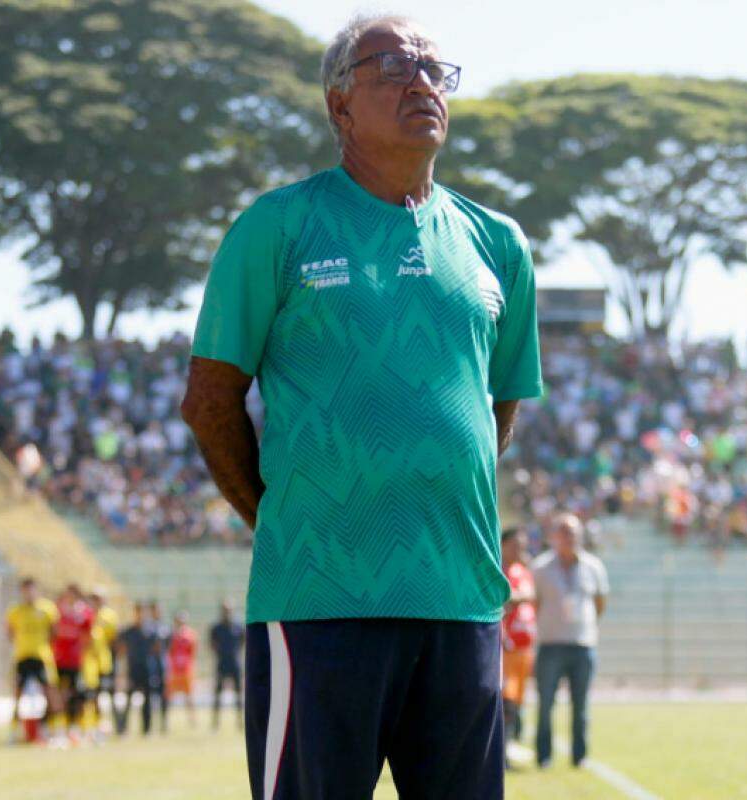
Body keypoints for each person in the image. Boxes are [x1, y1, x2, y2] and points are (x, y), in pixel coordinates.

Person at [181, 13, 542, 799]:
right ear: (339, 105)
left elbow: (494, 416)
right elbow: (210, 401)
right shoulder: (277, 226)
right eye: (394, 68)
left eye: (436, 71)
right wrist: (282, 518)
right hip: (319, 601)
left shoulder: (499, 243)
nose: (422, 84)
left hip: (463, 602)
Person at [532, 513, 609, 769]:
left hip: (582, 644)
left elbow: (600, 603)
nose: (569, 537)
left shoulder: (594, 567)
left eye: (573, 532)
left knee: (581, 705)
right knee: (545, 705)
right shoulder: (541, 567)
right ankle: (544, 756)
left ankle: (580, 755)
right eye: (563, 531)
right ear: (553, 536)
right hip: (551, 643)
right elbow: (535, 603)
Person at [5, 577, 58, 740]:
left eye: (31, 589)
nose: (29, 593)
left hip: (41, 656)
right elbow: (10, 632)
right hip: (22, 656)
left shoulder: (47, 609)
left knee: (50, 693)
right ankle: (14, 731)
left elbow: (54, 632)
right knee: (17, 694)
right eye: (25, 590)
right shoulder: (15, 611)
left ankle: (49, 728)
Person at [500, 526, 536, 761]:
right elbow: (505, 598)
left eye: (522, 545)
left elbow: (529, 597)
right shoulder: (498, 570)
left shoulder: (523, 571)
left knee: (516, 703)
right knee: (506, 703)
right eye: (515, 545)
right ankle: (501, 754)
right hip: (506, 648)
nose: (519, 550)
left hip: (524, 649)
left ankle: (507, 749)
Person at [51, 584, 93, 743]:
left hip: (76, 661)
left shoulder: (84, 612)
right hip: (58, 659)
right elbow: (52, 631)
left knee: (76, 695)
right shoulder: (57, 610)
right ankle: (56, 728)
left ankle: (74, 727)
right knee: (57, 695)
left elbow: (87, 635)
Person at [115, 603, 161, 736]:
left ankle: (146, 729)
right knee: (128, 700)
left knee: (147, 701)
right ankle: (123, 729)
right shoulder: (129, 631)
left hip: (147, 670)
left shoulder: (151, 632)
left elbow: (156, 648)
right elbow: (120, 648)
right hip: (133, 670)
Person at [86, 588, 119, 733]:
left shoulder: (109, 616)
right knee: (92, 694)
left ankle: (113, 724)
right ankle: (94, 723)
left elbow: (113, 639)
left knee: (108, 693)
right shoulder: (86, 614)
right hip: (88, 662)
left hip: (104, 661)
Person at [209, 601, 245, 731]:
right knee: (217, 694)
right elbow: (212, 644)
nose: (226, 612)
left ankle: (240, 722)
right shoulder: (216, 628)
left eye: (228, 609)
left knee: (238, 694)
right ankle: (215, 723)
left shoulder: (238, 627)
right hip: (222, 663)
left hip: (235, 663)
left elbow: (242, 642)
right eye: (224, 609)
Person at [166, 611, 198, 729]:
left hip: (185, 670)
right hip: (174, 670)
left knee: (189, 696)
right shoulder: (171, 635)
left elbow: (193, 651)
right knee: (169, 696)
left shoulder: (190, 635)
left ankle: (192, 720)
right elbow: (169, 650)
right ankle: (166, 721)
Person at [146, 600, 171, 734]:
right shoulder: (147, 628)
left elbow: (168, 645)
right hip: (151, 666)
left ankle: (164, 723)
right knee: (150, 695)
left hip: (162, 665)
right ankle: (149, 725)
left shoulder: (165, 627)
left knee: (163, 695)